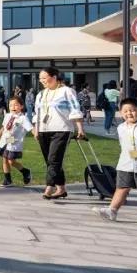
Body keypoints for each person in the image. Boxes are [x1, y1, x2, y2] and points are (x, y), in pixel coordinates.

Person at [93, 97, 137, 224]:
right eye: (125, 111)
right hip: (125, 164)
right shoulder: (121, 127)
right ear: (121, 112)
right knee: (121, 188)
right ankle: (112, 211)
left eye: (132, 110)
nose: (129, 113)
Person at [32, 67, 85, 200]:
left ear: (54, 77)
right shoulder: (41, 94)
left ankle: (49, 187)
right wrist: (36, 129)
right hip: (43, 130)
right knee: (51, 161)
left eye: (44, 78)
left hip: (62, 129)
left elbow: (75, 109)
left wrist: (80, 129)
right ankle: (61, 189)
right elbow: (37, 113)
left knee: (53, 159)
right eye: (40, 78)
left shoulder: (67, 91)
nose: (42, 80)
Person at [0, 96, 34, 187]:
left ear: (21, 106)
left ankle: (25, 171)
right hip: (5, 140)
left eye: (16, 105)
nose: (13, 107)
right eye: (10, 105)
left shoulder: (23, 118)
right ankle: (8, 180)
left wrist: (36, 134)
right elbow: (4, 127)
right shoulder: (8, 116)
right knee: (4, 160)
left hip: (14, 142)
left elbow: (31, 128)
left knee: (11, 161)